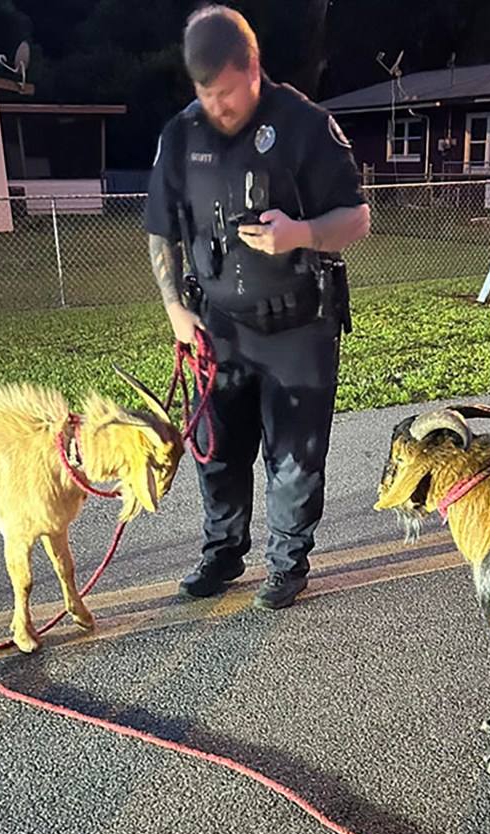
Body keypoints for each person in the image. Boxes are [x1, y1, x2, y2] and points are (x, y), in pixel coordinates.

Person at [144, 5, 370, 610]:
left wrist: (299, 234)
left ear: (253, 68)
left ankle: (287, 563)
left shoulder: (303, 124)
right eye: (204, 93)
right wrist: (174, 308)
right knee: (217, 452)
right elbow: (162, 231)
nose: (215, 106)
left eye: (225, 92)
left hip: (299, 324)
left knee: (294, 457)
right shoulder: (181, 135)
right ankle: (222, 553)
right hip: (218, 325)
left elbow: (357, 218)